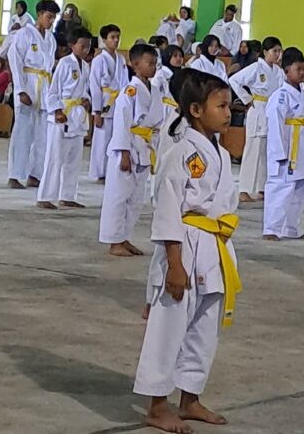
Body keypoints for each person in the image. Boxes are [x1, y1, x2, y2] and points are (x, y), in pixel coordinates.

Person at [133, 70, 239, 433]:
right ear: (196, 109)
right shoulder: (180, 153)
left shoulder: (221, 155)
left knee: (203, 330)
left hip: (214, 247)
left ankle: (190, 398)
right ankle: (157, 404)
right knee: (169, 328)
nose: (228, 113)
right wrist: (174, 265)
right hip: (184, 247)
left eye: (229, 106)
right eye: (221, 106)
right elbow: (166, 211)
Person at [99, 43, 164, 258]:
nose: (154, 67)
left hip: (144, 147)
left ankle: (124, 237)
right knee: (118, 196)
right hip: (126, 148)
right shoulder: (130, 91)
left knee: (136, 199)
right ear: (135, 65)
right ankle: (113, 241)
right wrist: (123, 152)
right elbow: (122, 121)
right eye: (149, 63)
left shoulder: (154, 90)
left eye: (155, 63)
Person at [263, 47, 304, 241]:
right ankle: (272, 228)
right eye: (298, 69)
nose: (303, 73)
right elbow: (276, 127)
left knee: (300, 191)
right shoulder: (280, 96)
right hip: (288, 148)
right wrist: (279, 152)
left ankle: (291, 228)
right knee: (281, 189)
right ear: (286, 71)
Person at [37, 28, 93, 211]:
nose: (85, 50)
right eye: (82, 46)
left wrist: (87, 100)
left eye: (88, 47)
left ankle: (67, 196)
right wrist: (57, 111)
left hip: (77, 115)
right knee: (55, 157)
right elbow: (52, 91)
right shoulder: (64, 63)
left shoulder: (85, 66)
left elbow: (85, 90)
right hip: (62, 115)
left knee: (74, 159)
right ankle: (45, 196)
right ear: (72, 45)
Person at [6, 0, 59, 189]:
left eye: (53, 17)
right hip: (28, 83)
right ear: (39, 14)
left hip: (44, 86)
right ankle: (14, 174)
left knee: (42, 135)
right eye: (48, 16)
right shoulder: (24, 33)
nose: (51, 21)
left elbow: (50, 67)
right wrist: (20, 90)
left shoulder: (51, 39)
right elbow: (15, 61)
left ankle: (35, 174)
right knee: (22, 132)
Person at [228, 37, 283, 204]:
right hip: (257, 109)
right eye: (275, 51)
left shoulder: (278, 72)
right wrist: (246, 98)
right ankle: (244, 189)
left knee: (267, 152)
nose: (278, 55)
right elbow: (234, 80)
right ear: (265, 52)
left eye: (279, 51)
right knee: (253, 151)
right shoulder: (256, 68)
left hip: (272, 111)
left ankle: (262, 188)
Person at [88, 24, 128, 183]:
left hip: (118, 102)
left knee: (116, 137)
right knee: (102, 139)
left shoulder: (121, 59)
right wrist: (96, 111)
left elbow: (125, 82)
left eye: (118, 37)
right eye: (112, 37)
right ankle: (100, 172)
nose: (116, 40)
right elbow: (94, 86)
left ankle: (113, 169)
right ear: (104, 40)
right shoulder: (98, 60)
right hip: (104, 102)